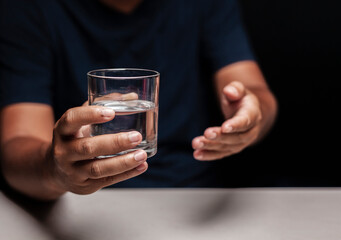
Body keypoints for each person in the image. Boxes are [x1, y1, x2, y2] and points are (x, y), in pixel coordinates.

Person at [0, 0, 277, 200]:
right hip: (83, 205)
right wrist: (55, 170)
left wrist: (250, 115)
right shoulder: (30, 9)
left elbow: (254, 92)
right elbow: (18, 144)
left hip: (196, 196)